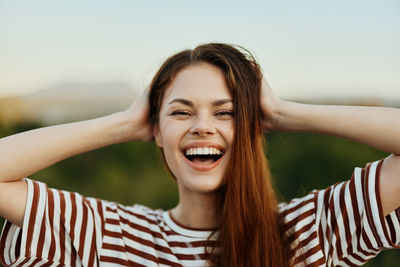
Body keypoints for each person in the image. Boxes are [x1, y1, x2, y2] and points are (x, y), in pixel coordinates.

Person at [0, 43, 399, 267]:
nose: (202, 126)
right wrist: (123, 124)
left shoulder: (308, 232)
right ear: (155, 130)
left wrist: (282, 112)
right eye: (181, 111)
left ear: (251, 126)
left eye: (226, 112)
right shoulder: (109, 236)